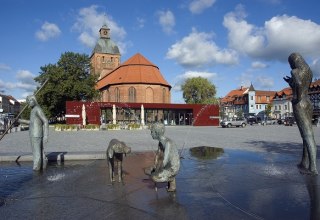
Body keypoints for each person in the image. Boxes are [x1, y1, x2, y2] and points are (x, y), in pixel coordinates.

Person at [145, 123, 180, 192]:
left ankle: (171, 178)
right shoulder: (161, 142)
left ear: (157, 133)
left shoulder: (168, 143)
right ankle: (170, 179)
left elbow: (165, 160)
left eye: (152, 132)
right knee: (147, 170)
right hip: (167, 165)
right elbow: (157, 155)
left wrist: (156, 171)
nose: (151, 134)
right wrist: (155, 166)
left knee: (154, 177)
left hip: (173, 168)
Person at [19, 95, 49, 171]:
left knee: (36, 153)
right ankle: (42, 167)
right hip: (34, 134)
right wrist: (20, 121)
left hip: (36, 134)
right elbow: (32, 122)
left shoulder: (37, 109)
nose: (28, 103)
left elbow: (45, 121)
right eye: (28, 101)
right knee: (39, 152)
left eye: (29, 101)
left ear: (34, 100)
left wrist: (46, 135)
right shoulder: (33, 110)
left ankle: (36, 169)